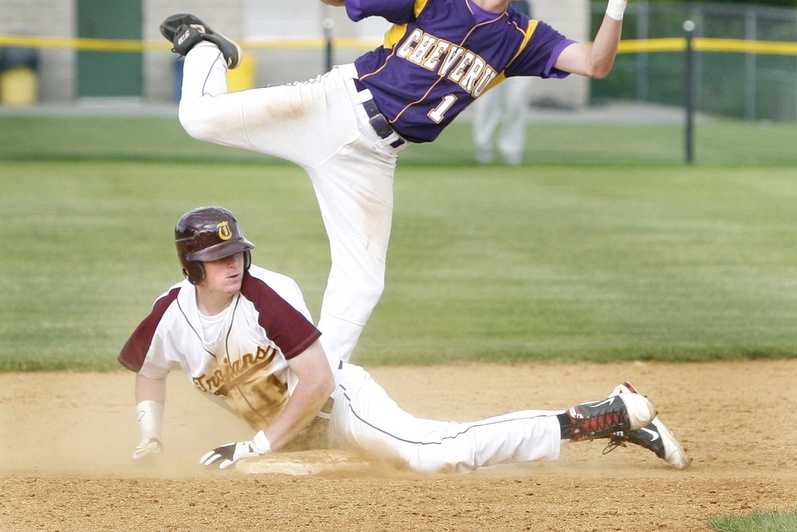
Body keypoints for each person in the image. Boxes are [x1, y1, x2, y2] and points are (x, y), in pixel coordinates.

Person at [161, 0, 651, 362]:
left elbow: (594, 64)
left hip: (372, 159)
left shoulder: (523, 38)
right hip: (334, 107)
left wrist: (617, 0)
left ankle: (311, 385)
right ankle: (206, 46)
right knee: (198, 119)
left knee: (363, 283)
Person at [118, 206, 690, 472]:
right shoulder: (171, 314)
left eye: (237, 252)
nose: (234, 264)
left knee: (432, 453)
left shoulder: (269, 293)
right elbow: (150, 367)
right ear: (192, 267)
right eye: (218, 258)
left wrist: (257, 446)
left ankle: (603, 415)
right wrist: (151, 437)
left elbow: (317, 380)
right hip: (297, 436)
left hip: (339, 406)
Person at [472, 0, 534, 164]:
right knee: (486, 105)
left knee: (516, 104)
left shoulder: (523, 2)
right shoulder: (482, 0)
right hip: (489, 61)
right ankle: (483, 149)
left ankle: (511, 150)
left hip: (518, 62)